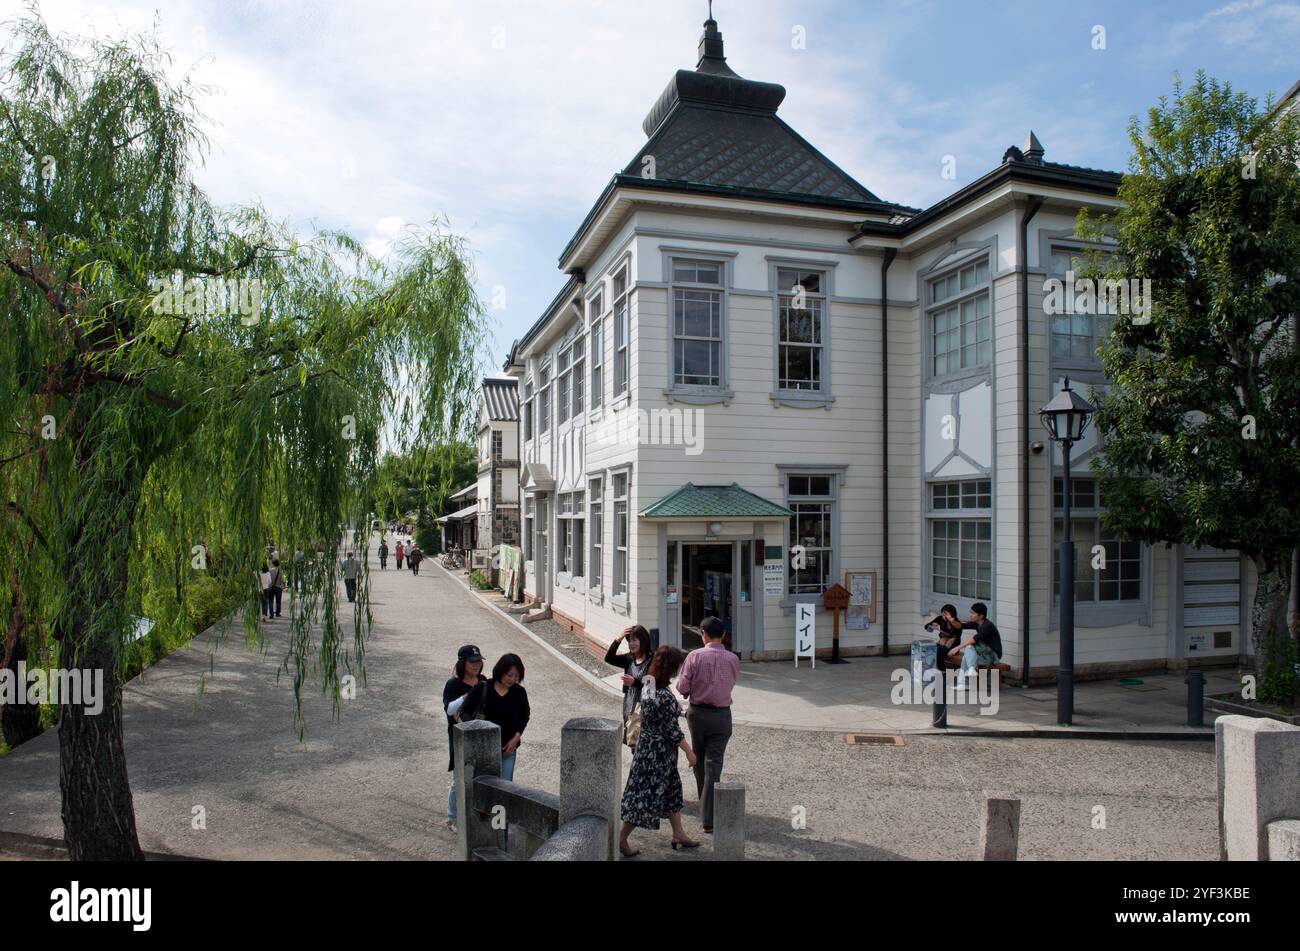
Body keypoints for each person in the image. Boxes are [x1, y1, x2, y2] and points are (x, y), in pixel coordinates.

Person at [618, 646, 699, 857]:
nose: (678, 671)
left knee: (672, 791)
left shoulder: (649, 683)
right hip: (657, 755)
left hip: (649, 749)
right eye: (676, 667)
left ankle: (678, 833)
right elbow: (671, 730)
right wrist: (690, 752)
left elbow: (652, 715)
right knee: (644, 797)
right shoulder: (662, 694)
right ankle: (621, 838)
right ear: (670, 668)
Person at [676, 614, 738, 834]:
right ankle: (709, 814)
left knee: (700, 762)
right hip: (722, 716)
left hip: (698, 715)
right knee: (714, 764)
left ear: (703, 634)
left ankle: (707, 811)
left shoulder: (694, 656)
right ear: (723, 635)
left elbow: (682, 689)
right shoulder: (733, 659)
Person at [442, 644, 486, 832]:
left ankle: (474, 812)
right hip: (460, 735)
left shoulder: (483, 680)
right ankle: (453, 818)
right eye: (472, 661)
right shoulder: (453, 684)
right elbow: (449, 709)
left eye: (478, 661)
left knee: (480, 775)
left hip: (482, 734)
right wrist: (467, 696)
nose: (476, 665)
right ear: (462, 663)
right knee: (458, 778)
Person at [604, 625, 652, 743]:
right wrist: (618, 639)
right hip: (629, 706)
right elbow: (609, 658)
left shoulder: (653, 661)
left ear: (643, 641)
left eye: (634, 640)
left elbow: (651, 691)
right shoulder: (629, 658)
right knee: (632, 741)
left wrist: (634, 682)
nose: (631, 644)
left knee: (642, 743)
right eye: (629, 641)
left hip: (644, 709)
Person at [950, 601, 1003, 679]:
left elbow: (974, 639)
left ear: (981, 616)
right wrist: (952, 621)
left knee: (968, 649)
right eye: (970, 612)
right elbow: (960, 626)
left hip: (992, 656)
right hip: (983, 653)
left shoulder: (987, 625)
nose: (970, 615)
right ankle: (970, 672)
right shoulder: (977, 623)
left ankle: (965, 680)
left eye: (973, 613)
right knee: (967, 656)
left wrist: (957, 648)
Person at [925, 603, 964, 669]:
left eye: (946, 614)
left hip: (952, 647)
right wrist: (932, 626)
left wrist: (941, 630)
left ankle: (942, 671)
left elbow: (954, 636)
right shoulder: (940, 618)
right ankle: (931, 669)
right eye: (943, 614)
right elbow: (926, 626)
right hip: (942, 644)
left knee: (936, 651)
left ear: (952, 614)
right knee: (928, 649)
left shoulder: (956, 623)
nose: (944, 616)